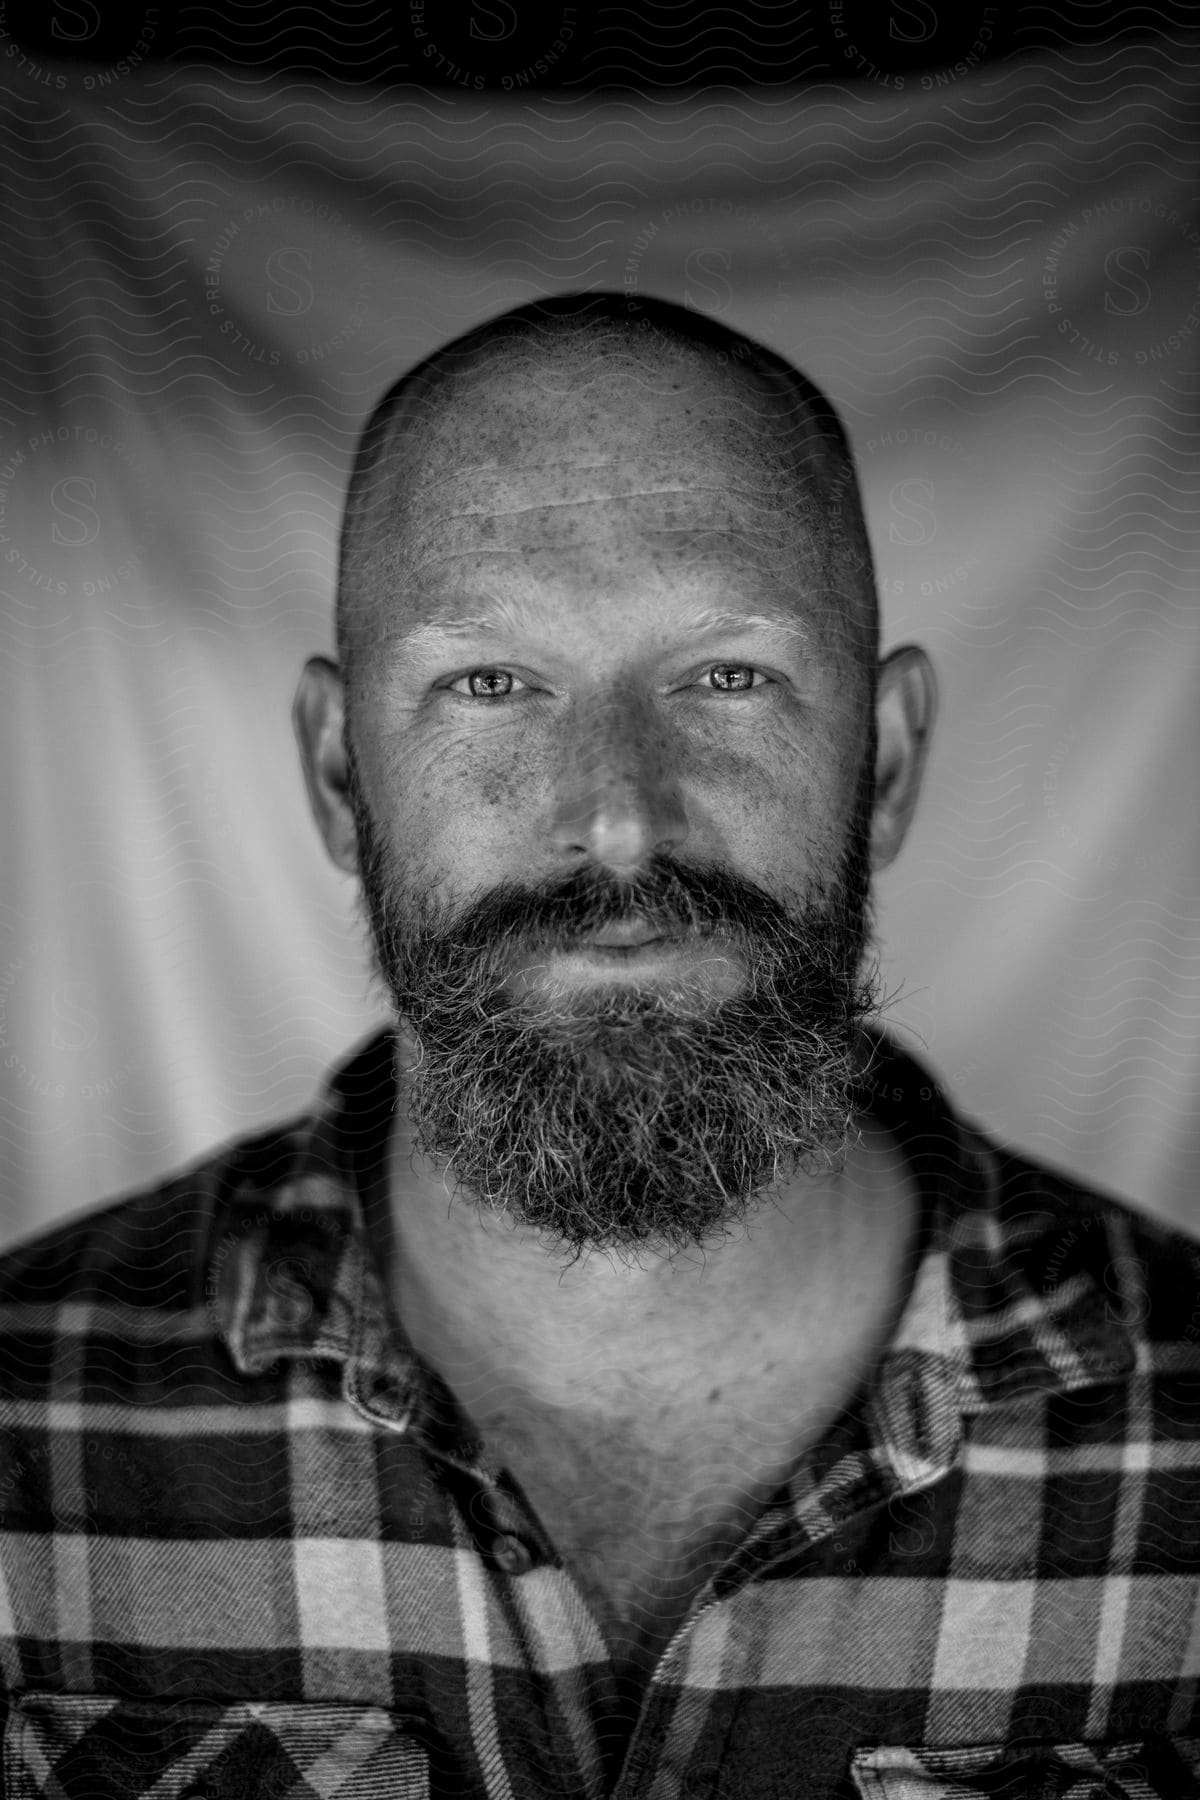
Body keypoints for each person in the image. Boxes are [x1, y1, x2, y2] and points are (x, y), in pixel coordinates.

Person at [0, 291, 1197, 1800]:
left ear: (885, 760)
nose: (620, 816)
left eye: (728, 677)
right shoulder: (26, 1433)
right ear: (335, 775)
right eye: (490, 683)